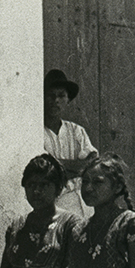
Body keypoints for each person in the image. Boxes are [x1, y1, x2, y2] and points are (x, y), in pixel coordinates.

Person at [43, 69, 97, 218]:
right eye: (51, 96)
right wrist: (80, 165)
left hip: (84, 201)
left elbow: (93, 164)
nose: (56, 101)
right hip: (57, 204)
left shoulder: (76, 130)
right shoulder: (37, 133)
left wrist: (60, 164)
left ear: (68, 100)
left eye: (61, 96)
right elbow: (48, 172)